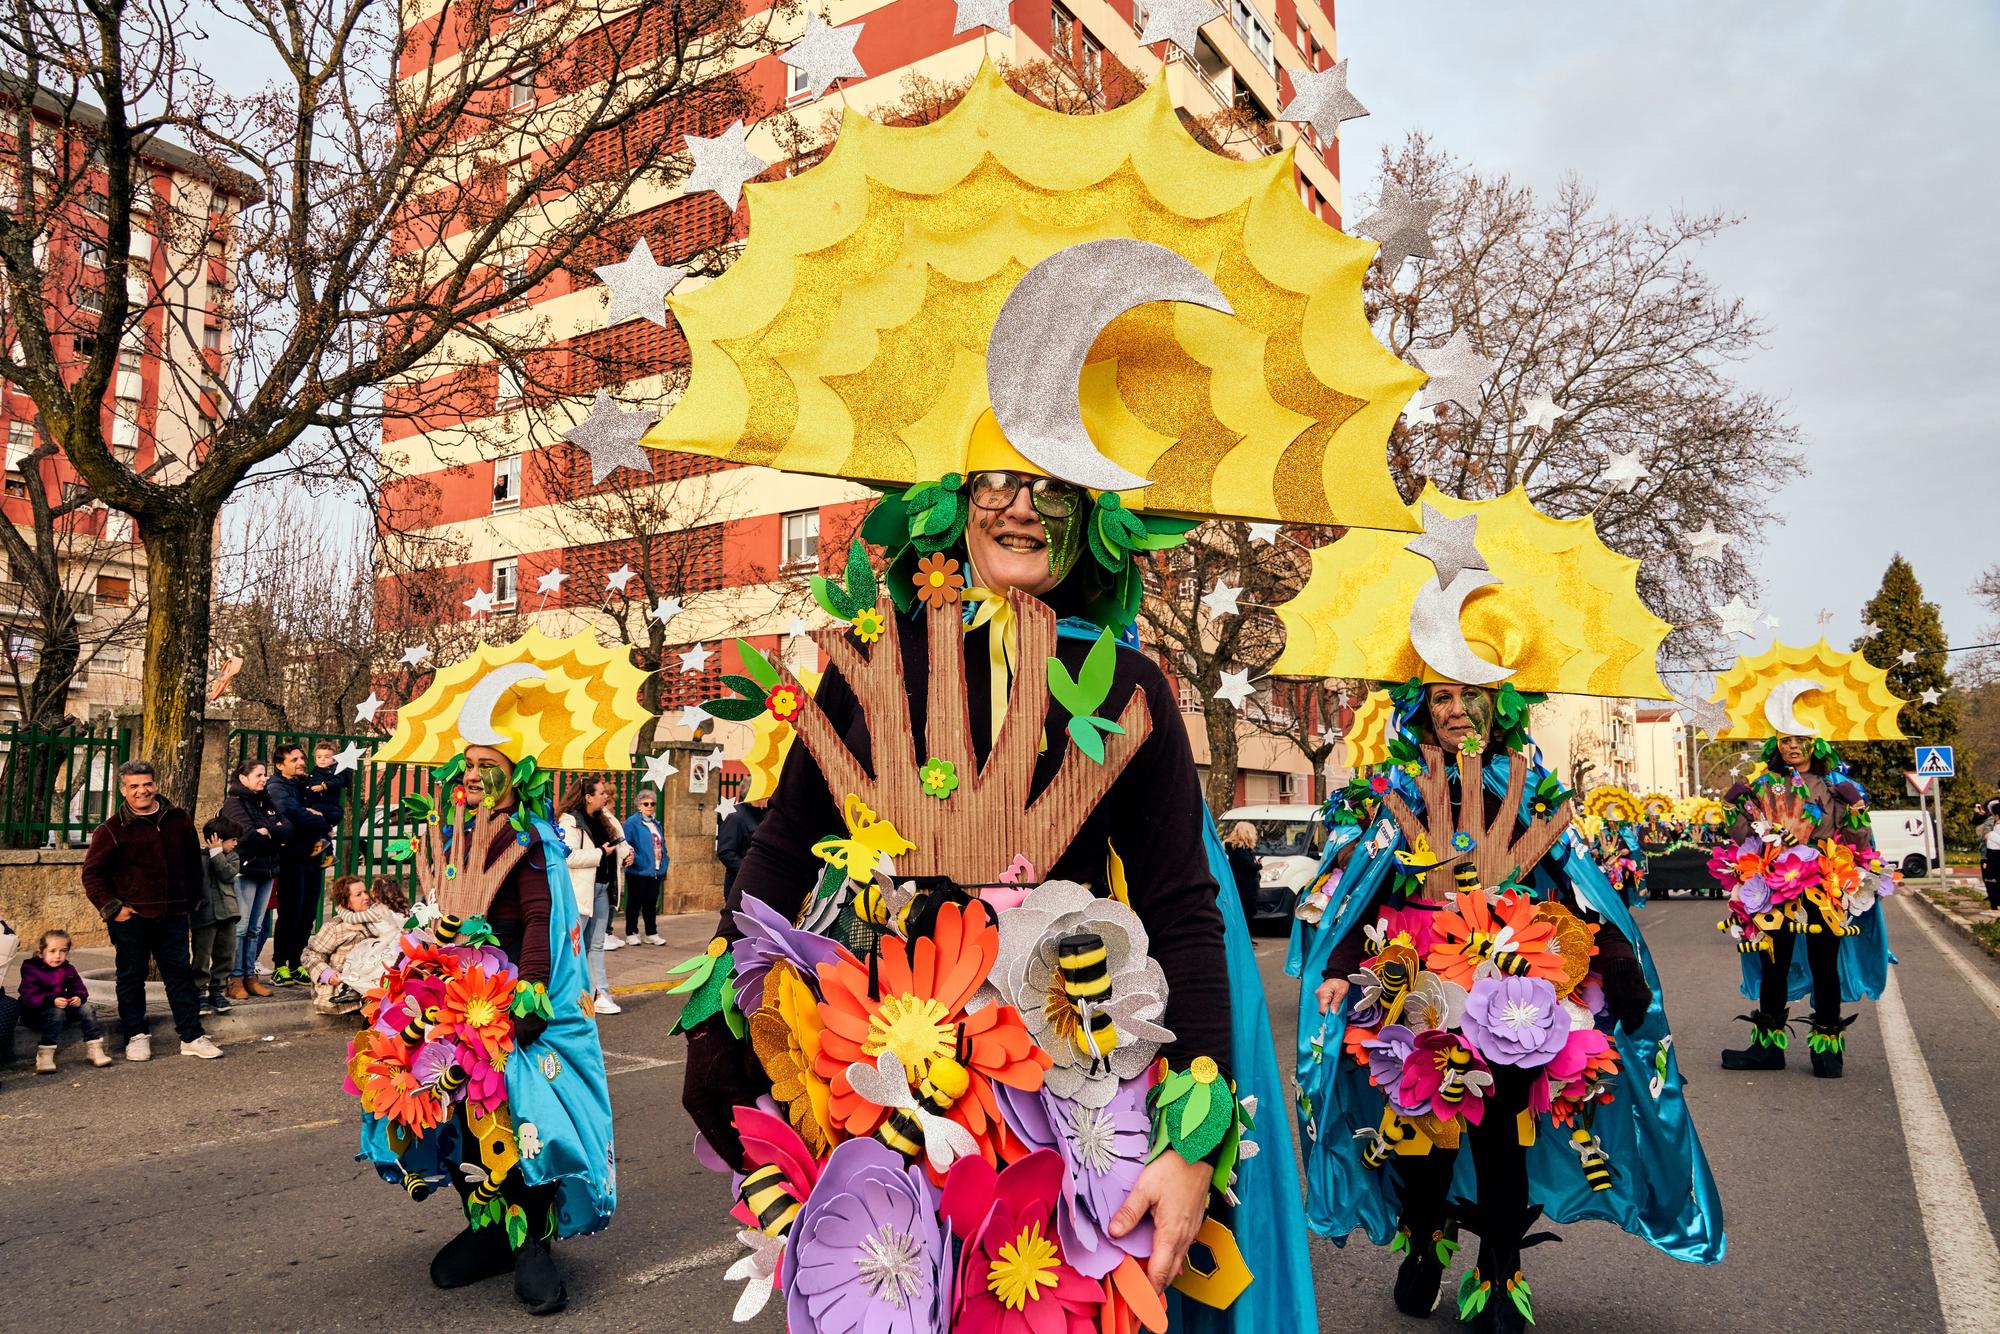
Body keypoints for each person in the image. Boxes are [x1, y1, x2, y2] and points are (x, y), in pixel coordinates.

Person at [1294, 681, 1722, 1332]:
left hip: (1511, 982)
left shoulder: (1524, 786)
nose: (1457, 709)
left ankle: (1499, 1271)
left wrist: (1617, 963)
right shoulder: (1401, 789)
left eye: (1471, 695)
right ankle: (1426, 1237)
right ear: (1420, 711)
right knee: (1424, 1144)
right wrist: (1334, 969)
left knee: (1500, 1141)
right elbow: (1360, 888)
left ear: (1503, 707)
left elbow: (1574, 890)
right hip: (1416, 991)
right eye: (1440, 697)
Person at [359, 637, 627, 1315]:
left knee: (515, 1122)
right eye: (469, 764)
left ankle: (533, 1242)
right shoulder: (454, 834)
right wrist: (409, 973)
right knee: (455, 1118)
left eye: (490, 764)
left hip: (511, 1003)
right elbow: (437, 911)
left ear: (518, 773)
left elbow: (541, 917)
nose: (475, 774)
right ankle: (489, 1229)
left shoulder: (529, 836)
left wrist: (531, 992)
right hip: (454, 999)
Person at [1716, 732, 1894, 1079]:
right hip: (1775, 882)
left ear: (1818, 745)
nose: (1792, 746)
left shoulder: (1835, 784)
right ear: (1775, 746)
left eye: (1800, 739)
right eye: (1785, 740)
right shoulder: (1765, 784)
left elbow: (1858, 841)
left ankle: (1827, 1053)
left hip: (1821, 882)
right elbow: (1746, 837)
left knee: (1824, 963)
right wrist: (1730, 807)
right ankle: (1768, 1048)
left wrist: (1856, 808)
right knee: (1773, 962)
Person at [80, 759, 222, 1061]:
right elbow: (92, 875)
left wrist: (191, 903)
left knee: (180, 976)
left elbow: (193, 864)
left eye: (147, 784)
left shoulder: (178, 818)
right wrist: (113, 908)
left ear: (155, 785)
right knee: (131, 977)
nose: (142, 791)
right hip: (131, 918)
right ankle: (136, 1036)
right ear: (123, 790)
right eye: (134, 786)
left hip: (172, 916)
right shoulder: (111, 829)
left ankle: (191, 1036)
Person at [559, 776, 629, 1015]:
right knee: (576, 948)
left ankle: (600, 994)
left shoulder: (604, 818)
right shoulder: (570, 821)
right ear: (588, 797)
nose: (605, 796)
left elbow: (621, 844)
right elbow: (568, 857)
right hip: (581, 894)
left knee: (596, 945)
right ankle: (573, 996)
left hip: (602, 889)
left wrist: (627, 855)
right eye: (600, 793)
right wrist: (600, 853)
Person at [265, 742, 331, 987]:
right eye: (294, 760)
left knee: (307, 912)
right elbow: (291, 812)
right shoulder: (276, 786)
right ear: (280, 765)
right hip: (291, 856)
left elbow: (329, 809)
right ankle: (280, 964)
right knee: (291, 911)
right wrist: (320, 821)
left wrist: (321, 818)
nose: (301, 762)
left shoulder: (305, 784)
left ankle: (296, 962)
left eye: (302, 758)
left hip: (312, 855)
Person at [220, 758, 285, 1001]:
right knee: (242, 927)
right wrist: (270, 830)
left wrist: (270, 831)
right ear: (243, 778)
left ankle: (250, 976)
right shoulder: (234, 803)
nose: (263, 779)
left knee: (256, 928)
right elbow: (246, 837)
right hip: (245, 871)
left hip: (267, 870)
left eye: (264, 775)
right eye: (258, 775)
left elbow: (287, 828)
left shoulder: (265, 802)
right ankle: (235, 978)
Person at [300, 874, 403, 1016]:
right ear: (347, 902)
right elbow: (310, 954)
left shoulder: (377, 918)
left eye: (365, 892)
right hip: (343, 987)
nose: (366, 897)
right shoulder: (337, 927)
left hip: (374, 981)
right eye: (358, 894)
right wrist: (327, 974)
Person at [20, 929, 114, 1073]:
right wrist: (51, 1000)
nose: (58, 956)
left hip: (61, 1010)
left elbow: (79, 989)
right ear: (41, 951)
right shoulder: (31, 969)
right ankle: (45, 1055)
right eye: (52, 951)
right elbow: (28, 996)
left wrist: (78, 997)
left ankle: (94, 1049)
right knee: (57, 1012)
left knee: (87, 1008)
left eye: (63, 951)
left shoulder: (68, 969)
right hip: (35, 1014)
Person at [194, 816, 242, 1016]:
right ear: (216, 838)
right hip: (204, 912)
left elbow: (226, 873)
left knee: (225, 954)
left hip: (228, 912)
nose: (235, 843)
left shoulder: (232, 857)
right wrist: (212, 853)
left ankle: (217, 989)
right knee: (202, 954)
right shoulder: (199, 858)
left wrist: (217, 854)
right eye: (232, 839)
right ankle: (199, 991)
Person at [621, 789, 667, 945]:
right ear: (639, 806)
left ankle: (651, 932)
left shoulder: (656, 823)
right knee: (635, 902)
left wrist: (664, 862)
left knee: (650, 902)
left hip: (655, 869)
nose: (649, 806)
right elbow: (627, 844)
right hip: (638, 871)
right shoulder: (631, 823)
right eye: (645, 803)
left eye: (652, 803)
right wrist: (638, 860)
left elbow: (662, 844)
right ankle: (631, 932)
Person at [304, 740, 352, 869]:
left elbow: (338, 781)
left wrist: (323, 786)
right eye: (319, 757)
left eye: (327, 757)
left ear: (335, 760)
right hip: (319, 805)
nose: (322, 760)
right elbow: (311, 781)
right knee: (322, 829)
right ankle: (330, 855)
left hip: (328, 807)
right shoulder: (316, 770)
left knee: (314, 820)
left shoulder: (335, 771)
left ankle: (323, 839)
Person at [712, 795, 763, 897]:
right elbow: (726, 852)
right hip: (740, 887)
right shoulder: (736, 817)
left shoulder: (764, 816)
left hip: (760, 886)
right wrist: (749, 870)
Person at [1224, 820, 1261, 920]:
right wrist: (1258, 866)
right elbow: (1248, 866)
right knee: (1248, 912)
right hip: (1245, 887)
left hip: (1238, 885)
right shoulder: (1241, 850)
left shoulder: (1233, 848)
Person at [1979, 797, 2000, 911]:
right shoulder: (1991, 821)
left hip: (1990, 856)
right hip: (1989, 855)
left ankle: (1995, 904)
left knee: (1992, 882)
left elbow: (1986, 837)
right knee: (1992, 883)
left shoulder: (1991, 822)